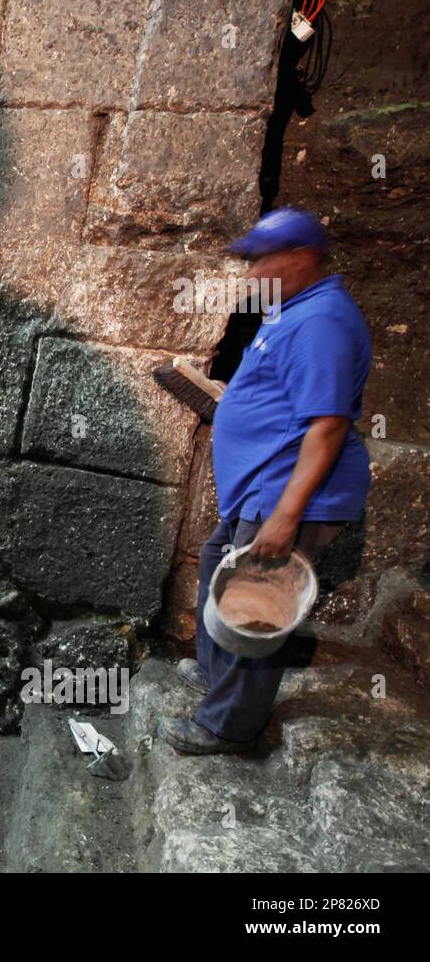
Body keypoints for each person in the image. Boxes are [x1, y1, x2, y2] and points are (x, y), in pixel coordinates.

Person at [159, 207, 372, 755]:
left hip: (286, 492)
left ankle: (229, 726)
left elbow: (326, 428)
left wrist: (284, 517)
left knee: (258, 602)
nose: (249, 274)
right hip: (263, 484)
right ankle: (215, 674)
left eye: (259, 261)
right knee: (216, 561)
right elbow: (286, 397)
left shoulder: (322, 320)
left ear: (300, 258)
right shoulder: (294, 310)